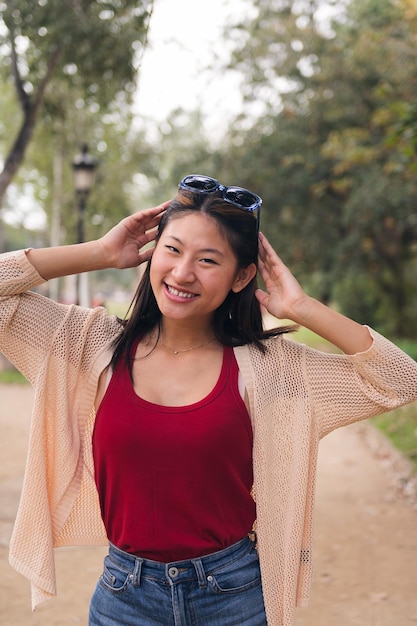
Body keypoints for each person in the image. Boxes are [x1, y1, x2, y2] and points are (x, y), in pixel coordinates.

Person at [1, 174, 417, 626]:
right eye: (173, 250)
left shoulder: (270, 367)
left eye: (208, 260)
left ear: (242, 277)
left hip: (233, 596)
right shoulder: (91, 345)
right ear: (151, 253)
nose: (183, 273)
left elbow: (400, 378)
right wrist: (98, 253)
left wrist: (301, 307)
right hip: (125, 598)